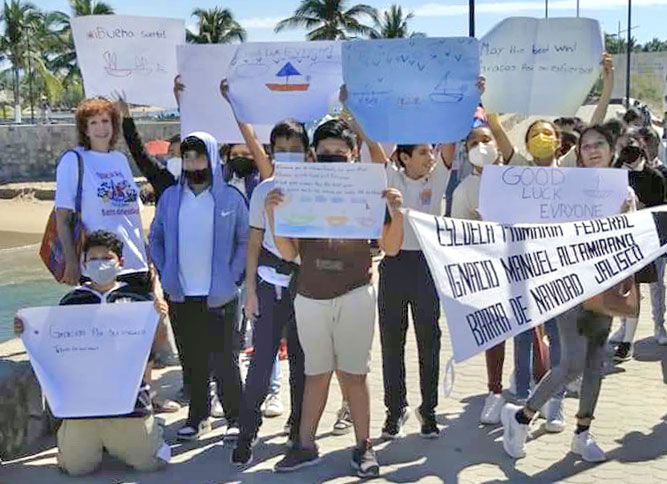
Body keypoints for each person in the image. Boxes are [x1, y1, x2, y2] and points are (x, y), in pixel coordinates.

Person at [269, 119, 403, 477]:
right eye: (325, 153)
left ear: (352, 155)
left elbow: (391, 248)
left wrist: (396, 213)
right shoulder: (301, 191)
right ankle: (305, 445)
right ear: (313, 154)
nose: (332, 159)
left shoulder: (368, 192)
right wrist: (272, 213)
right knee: (316, 375)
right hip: (310, 296)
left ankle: (364, 446)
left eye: (339, 154)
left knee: (354, 376)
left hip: (355, 293)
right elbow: (287, 252)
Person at [501, 125, 637, 463]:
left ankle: (582, 433)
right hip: (570, 284)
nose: (593, 150)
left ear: (611, 149)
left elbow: (630, 239)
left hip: (604, 285)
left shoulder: (624, 191)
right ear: (578, 154)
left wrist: (627, 216)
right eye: (586, 146)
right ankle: (521, 417)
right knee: (572, 362)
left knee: (595, 362)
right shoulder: (565, 187)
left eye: (599, 144)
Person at [15, 230, 170, 476]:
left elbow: (155, 347)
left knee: (151, 463)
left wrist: (160, 319)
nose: (100, 263)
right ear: (84, 263)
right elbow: (51, 346)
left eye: (106, 257)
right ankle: (78, 441)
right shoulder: (71, 302)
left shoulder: (139, 300)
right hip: (83, 405)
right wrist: (26, 329)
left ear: (120, 262)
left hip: (129, 403)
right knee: (76, 468)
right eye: (93, 258)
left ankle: (151, 432)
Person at [149, 132, 248, 441]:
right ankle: (198, 416)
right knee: (192, 360)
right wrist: (166, 273)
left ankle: (236, 417)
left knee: (226, 361)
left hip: (221, 295)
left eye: (200, 157)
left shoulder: (231, 198)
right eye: (188, 158)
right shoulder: (170, 198)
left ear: (213, 158)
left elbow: (244, 240)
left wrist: (233, 276)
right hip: (181, 294)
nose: (193, 164)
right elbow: (157, 237)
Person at [227, 117, 309, 466]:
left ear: (307, 153)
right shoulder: (263, 190)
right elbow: (254, 243)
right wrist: (250, 291)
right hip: (268, 284)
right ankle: (247, 432)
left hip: (306, 286)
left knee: (303, 364)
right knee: (261, 361)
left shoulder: (320, 187)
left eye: (295, 150)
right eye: (281, 150)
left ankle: (298, 428)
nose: (288, 156)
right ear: (272, 153)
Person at [55, 97, 149, 293]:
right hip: (98, 268)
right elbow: (62, 219)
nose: (101, 128)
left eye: (106, 121)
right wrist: (72, 262)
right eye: (93, 122)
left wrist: (148, 258)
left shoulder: (120, 159)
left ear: (114, 125)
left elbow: (134, 218)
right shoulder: (73, 160)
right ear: (85, 129)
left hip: (136, 264)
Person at [609, 131, 666, 360]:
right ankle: (625, 330)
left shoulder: (656, 175)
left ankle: (658, 325)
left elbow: (661, 205)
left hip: (652, 237)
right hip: (626, 239)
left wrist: (641, 208)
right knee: (627, 288)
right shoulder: (617, 174)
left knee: (656, 286)